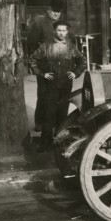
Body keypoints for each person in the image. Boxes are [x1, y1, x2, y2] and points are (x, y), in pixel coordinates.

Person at [28, 20, 86, 152]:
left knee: (63, 114)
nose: (61, 33)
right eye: (59, 30)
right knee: (49, 114)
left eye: (64, 30)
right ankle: (45, 143)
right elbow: (32, 60)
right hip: (51, 86)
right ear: (54, 31)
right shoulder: (45, 46)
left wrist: (75, 73)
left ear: (67, 32)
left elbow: (82, 61)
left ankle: (60, 142)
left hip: (66, 85)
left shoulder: (71, 47)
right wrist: (42, 74)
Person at [26, 0, 64, 133]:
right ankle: (40, 122)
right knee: (43, 94)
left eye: (58, 11)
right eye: (53, 11)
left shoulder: (61, 24)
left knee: (58, 95)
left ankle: (55, 123)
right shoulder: (39, 22)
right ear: (48, 10)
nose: (56, 14)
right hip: (44, 64)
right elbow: (31, 43)